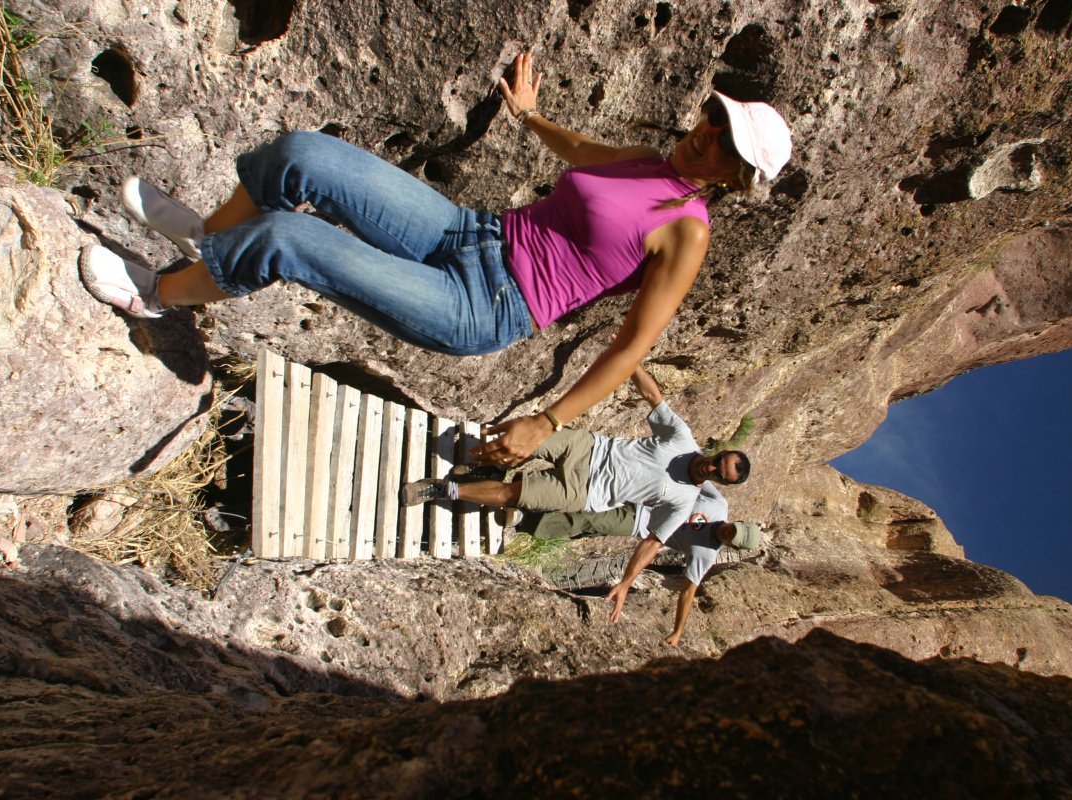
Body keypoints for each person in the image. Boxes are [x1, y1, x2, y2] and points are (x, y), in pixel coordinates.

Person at [80, 50, 791, 465]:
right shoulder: (645, 158)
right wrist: (528, 114)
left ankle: (157, 298)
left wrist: (549, 420)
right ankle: (209, 242)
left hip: (487, 306)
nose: (708, 138)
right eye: (715, 121)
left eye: (727, 147)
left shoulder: (688, 231)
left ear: (736, 177)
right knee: (301, 156)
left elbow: (633, 343)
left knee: (293, 241)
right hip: (467, 232)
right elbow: (579, 153)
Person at [400, 361, 751, 559]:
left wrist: (628, 581)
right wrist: (630, 359)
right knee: (523, 438)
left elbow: (653, 542)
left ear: (719, 482)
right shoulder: (683, 439)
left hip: (583, 492)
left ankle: (441, 490)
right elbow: (653, 397)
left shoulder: (685, 500)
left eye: (719, 473)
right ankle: (482, 467)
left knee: (515, 495)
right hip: (588, 448)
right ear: (717, 452)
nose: (712, 467)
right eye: (718, 460)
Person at [613, 485, 761, 646]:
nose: (728, 532)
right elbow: (699, 479)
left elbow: (688, 592)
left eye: (732, 537)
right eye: (733, 529)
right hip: (642, 492)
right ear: (737, 522)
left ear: (734, 546)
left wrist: (678, 632)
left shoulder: (706, 555)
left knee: (590, 523)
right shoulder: (718, 504)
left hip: (639, 522)